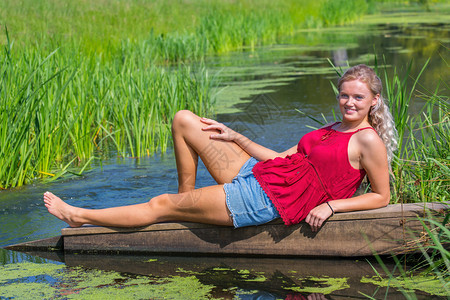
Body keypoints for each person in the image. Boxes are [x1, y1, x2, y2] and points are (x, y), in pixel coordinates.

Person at [44, 64, 397, 232]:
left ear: (374, 100)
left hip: (266, 200)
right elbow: (281, 159)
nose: (348, 102)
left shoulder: (367, 140)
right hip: (259, 176)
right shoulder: (329, 129)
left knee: (160, 203)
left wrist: (331, 206)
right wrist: (235, 137)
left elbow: (381, 196)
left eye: (358, 97)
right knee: (184, 119)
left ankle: (79, 216)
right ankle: (186, 206)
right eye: (344, 95)